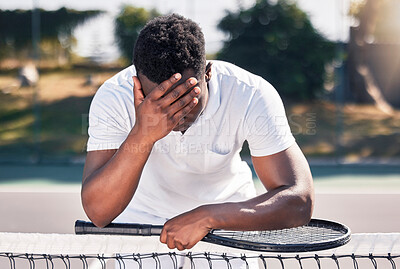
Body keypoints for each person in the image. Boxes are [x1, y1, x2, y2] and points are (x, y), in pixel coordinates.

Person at [81, 13, 314, 267]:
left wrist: (209, 216)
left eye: (186, 97)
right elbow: (98, 212)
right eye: (160, 101)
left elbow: (299, 200)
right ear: (137, 85)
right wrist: (144, 133)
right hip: (142, 224)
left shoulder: (250, 93)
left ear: (208, 73)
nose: (175, 112)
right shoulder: (114, 97)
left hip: (226, 221)